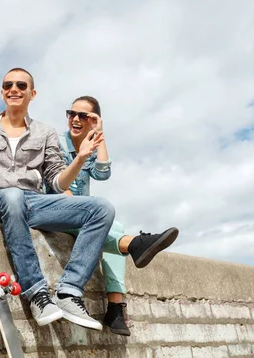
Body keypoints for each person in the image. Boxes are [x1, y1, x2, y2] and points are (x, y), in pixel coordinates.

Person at [0, 67, 115, 330]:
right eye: (8, 85)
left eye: (21, 85)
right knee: (13, 197)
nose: (13, 89)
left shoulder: (45, 132)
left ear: (32, 93)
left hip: (32, 201)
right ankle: (36, 293)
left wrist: (81, 157)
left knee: (102, 209)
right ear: (2, 91)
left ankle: (69, 292)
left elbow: (57, 181)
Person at [52, 96, 179, 336]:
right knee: (110, 225)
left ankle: (115, 306)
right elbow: (60, 187)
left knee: (116, 224)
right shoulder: (57, 142)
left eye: (84, 116)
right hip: (58, 210)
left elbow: (103, 173)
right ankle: (133, 251)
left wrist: (100, 135)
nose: (76, 119)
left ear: (93, 121)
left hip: (82, 213)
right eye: (72, 113)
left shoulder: (89, 143)